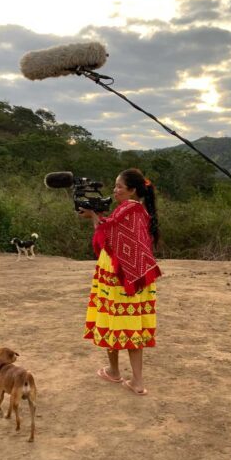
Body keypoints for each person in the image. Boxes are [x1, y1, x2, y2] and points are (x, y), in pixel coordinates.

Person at [78, 168, 161, 396]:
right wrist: (97, 218)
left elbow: (108, 235)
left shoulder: (129, 209)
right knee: (132, 325)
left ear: (132, 190)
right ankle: (137, 381)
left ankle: (114, 371)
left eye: (119, 187)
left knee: (111, 318)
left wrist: (92, 216)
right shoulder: (137, 210)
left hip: (117, 275)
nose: (115, 191)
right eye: (114, 186)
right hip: (136, 277)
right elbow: (115, 234)